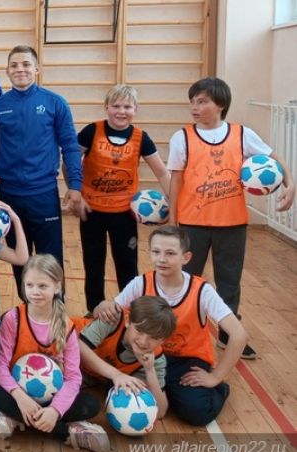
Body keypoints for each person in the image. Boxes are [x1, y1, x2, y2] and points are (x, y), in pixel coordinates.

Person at [167, 77, 294, 359]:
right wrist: (173, 221)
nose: (194, 107)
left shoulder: (242, 135)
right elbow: (176, 180)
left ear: (220, 104)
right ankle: (183, 330)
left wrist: (290, 184)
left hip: (232, 223)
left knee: (229, 283)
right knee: (187, 279)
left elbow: (276, 159)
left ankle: (228, 334)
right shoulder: (182, 138)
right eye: (192, 102)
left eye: (202, 101)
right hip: (192, 223)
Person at [93, 225, 248, 426]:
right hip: (146, 355)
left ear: (186, 257)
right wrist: (102, 306)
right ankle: (169, 392)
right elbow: (109, 312)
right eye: (156, 252)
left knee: (197, 412)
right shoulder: (140, 283)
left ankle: (220, 390)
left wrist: (216, 376)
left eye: (170, 253)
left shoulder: (202, 290)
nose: (162, 259)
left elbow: (239, 335)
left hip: (185, 361)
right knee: (122, 392)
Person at [0, 45, 83, 298]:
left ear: (37, 69)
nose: (20, 69)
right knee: (21, 261)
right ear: (7, 71)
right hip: (9, 197)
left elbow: (70, 146)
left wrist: (75, 185)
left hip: (44, 195)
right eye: (14, 65)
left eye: (26, 64)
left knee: (51, 260)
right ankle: (27, 313)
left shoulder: (55, 103)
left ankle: (56, 310)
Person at [0, 255, 108, 452]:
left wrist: (54, 410)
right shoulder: (13, 318)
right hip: (18, 391)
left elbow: (73, 378)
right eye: (30, 285)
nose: (35, 292)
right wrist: (20, 397)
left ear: (57, 287)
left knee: (91, 405)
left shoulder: (66, 326)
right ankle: (68, 432)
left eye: (42, 286)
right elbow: (1, 365)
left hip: (51, 396)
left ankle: (17, 418)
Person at [78, 84, 171, 313]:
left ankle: (131, 310)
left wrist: (175, 204)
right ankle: (94, 310)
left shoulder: (141, 137)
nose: (121, 111)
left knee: (127, 264)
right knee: (93, 263)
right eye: (116, 106)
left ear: (135, 109)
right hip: (92, 212)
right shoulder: (91, 131)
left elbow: (162, 173)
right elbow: (70, 163)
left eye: (127, 107)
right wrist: (76, 193)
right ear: (106, 107)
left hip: (124, 214)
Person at [76, 295, 176, 419]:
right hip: (62, 348)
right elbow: (79, 348)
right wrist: (116, 375)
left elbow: (160, 412)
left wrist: (150, 370)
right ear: (127, 321)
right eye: (139, 330)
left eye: (154, 337)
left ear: (163, 340)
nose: (143, 341)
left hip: (90, 375)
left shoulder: (155, 358)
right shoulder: (114, 318)